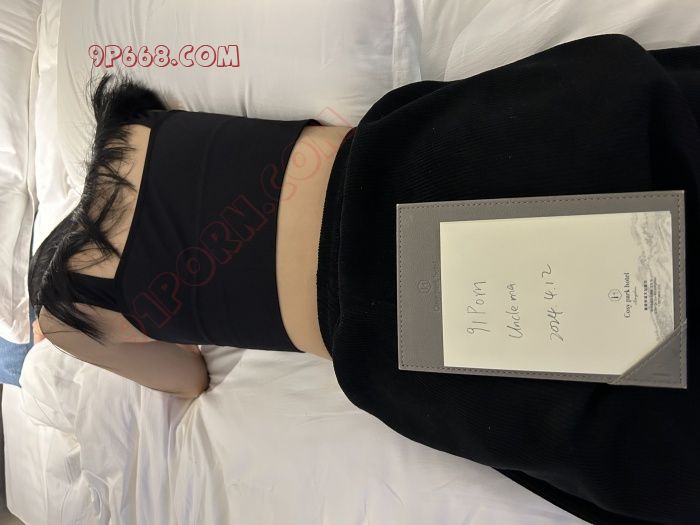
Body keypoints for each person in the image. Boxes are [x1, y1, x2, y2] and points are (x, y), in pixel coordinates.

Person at [29, 34, 699, 524]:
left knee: (606, 406)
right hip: (407, 155)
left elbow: (188, 378)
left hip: (382, 312)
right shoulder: (130, 125)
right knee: (610, 148)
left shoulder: (65, 310)